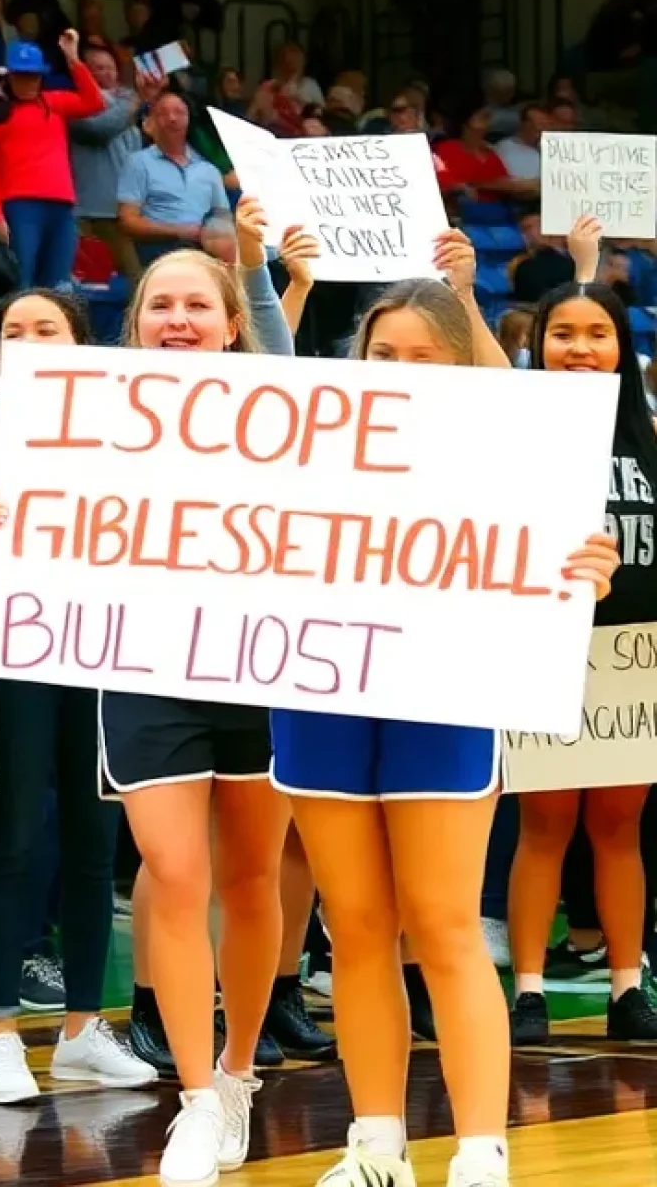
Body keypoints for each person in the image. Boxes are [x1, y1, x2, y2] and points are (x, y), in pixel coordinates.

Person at [271, 265, 620, 1187]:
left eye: (423, 358)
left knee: (444, 923)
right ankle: (376, 1147)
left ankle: (479, 1154)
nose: (398, 369)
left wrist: (586, 566)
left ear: (464, 366)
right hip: (321, 687)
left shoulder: (509, 454)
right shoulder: (305, 446)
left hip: (447, 687)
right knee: (353, 926)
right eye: (382, 354)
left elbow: (550, 547)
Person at [91, 207, 294, 1185]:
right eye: (159, 304)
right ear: (136, 324)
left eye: (194, 305)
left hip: (263, 662)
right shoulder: (85, 414)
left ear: (227, 323)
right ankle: (194, 1099)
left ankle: (242, 1070)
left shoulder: (285, 408)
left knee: (254, 875)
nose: (177, 318)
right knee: (175, 872)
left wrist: (253, 261)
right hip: (144, 661)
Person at [0, 288, 159, 1111]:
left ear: (80, 342)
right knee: (11, 843)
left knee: (92, 846)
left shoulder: (128, 432)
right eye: (14, 331)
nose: (29, 340)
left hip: (102, 656)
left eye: (48, 328)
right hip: (10, 660)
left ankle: (80, 1032)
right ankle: (0, 1035)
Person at [509, 254, 657, 1043]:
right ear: (538, 345)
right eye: (562, 332)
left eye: (597, 333)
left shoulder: (650, 431)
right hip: (546, 647)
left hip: (635, 655)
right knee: (546, 825)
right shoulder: (517, 433)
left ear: (621, 347)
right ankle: (529, 990)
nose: (579, 346)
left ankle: (628, 989)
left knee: (620, 826)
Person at [0, 29, 104, 289]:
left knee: (59, 283)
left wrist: (73, 58)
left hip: (61, 204)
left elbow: (94, 103)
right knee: (22, 281)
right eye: (21, 76)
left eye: (33, 77)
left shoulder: (54, 102)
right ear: (9, 77)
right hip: (20, 205)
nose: (28, 83)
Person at [116, 90, 230, 264]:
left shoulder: (209, 170)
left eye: (179, 112)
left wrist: (211, 234)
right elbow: (128, 221)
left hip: (202, 251)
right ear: (151, 122)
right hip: (157, 252)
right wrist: (178, 231)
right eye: (163, 113)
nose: (172, 118)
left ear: (189, 119)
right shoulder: (138, 162)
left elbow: (223, 217)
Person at [70, 47, 146, 279]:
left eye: (110, 68)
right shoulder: (75, 100)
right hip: (86, 212)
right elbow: (98, 130)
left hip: (121, 212)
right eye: (98, 68)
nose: (106, 73)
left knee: (134, 284)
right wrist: (137, 102)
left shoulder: (127, 103)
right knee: (87, 286)